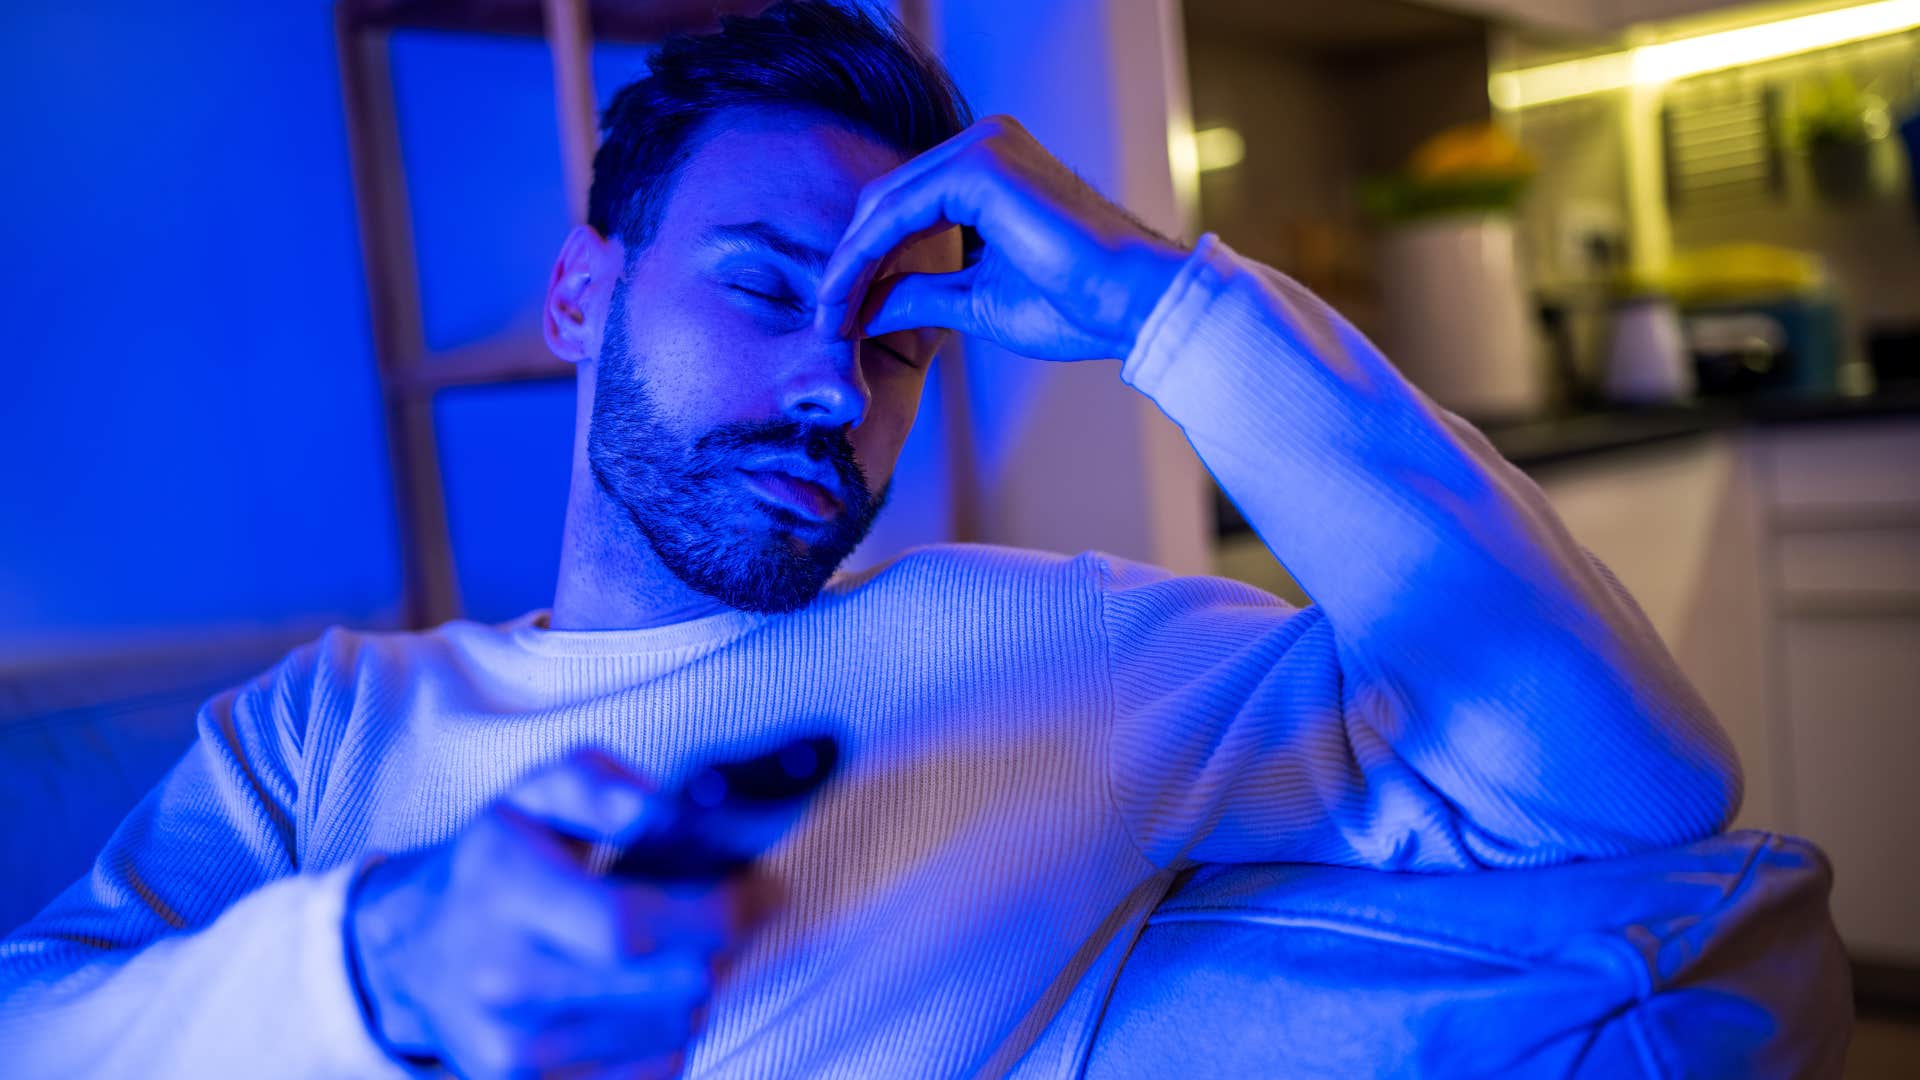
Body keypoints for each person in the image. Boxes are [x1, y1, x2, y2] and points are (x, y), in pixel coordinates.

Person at [0, 3, 1741, 1077]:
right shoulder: (325, 727)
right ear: (577, 297)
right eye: (763, 287)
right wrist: (382, 967)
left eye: (898, 338)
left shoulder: (1057, 655)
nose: (835, 384)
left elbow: (1631, 789)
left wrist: (1171, 311)